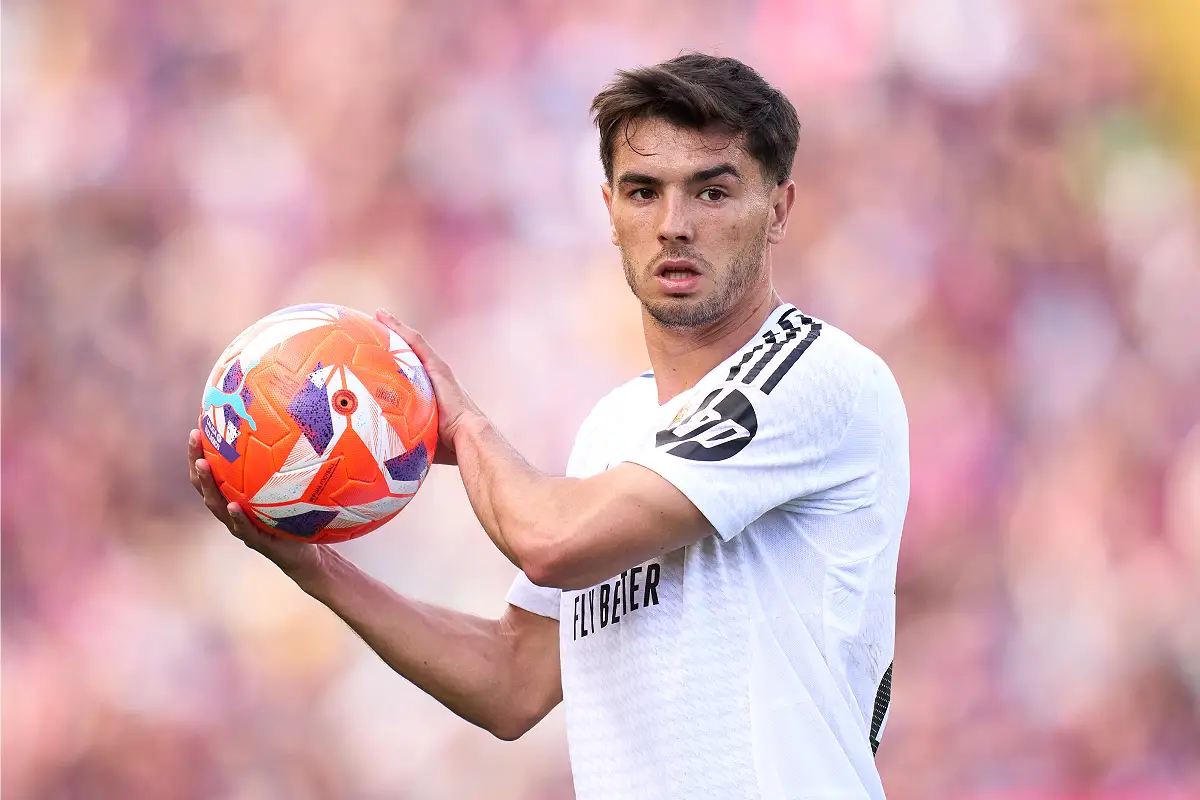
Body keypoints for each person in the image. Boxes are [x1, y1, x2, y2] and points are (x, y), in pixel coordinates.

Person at [188, 53, 909, 800]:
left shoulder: (813, 374)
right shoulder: (614, 427)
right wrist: (313, 566)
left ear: (780, 208)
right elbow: (513, 678)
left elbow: (552, 543)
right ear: (610, 211)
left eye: (713, 191)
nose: (674, 225)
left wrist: (462, 423)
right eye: (642, 192)